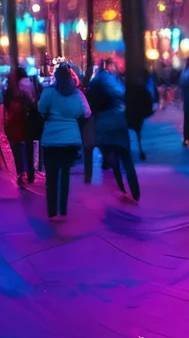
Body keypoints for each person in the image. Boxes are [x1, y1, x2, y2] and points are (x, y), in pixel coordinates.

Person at [38, 62, 90, 220]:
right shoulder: (76, 94)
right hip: (70, 140)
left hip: (51, 140)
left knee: (51, 177)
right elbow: (85, 112)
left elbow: (41, 109)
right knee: (65, 175)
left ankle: (52, 212)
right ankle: (63, 211)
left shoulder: (49, 93)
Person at [85, 63, 140, 200]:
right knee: (126, 157)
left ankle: (121, 188)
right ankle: (135, 191)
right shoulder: (115, 86)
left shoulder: (94, 85)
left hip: (103, 126)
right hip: (119, 123)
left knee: (113, 159)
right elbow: (123, 95)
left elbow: (89, 106)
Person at [3, 72, 34, 185]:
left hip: (18, 128)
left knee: (18, 152)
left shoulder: (15, 97)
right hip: (25, 128)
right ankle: (29, 175)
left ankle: (21, 174)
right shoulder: (27, 96)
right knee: (27, 151)